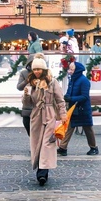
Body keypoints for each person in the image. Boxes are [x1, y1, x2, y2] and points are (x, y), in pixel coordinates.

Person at [23, 57, 67, 186]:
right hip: (36, 115)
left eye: (39, 69)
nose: (37, 71)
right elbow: (28, 103)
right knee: (37, 143)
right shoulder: (30, 83)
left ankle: (42, 173)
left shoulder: (52, 82)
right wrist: (26, 95)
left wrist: (63, 114)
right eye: (35, 69)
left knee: (47, 144)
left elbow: (60, 100)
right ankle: (40, 168)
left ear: (43, 69)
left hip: (49, 115)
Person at [59, 61, 99, 155]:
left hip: (83, 109)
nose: (70, 71)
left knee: (88, 129)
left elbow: (85, 97)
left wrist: (71, 98)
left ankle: (94, 147)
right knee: (69, 127)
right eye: (70, 69)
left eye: (72, 69)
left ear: (77, 70)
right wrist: (67, 97)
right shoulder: (72, 80)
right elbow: (70, 91)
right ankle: (62, 148)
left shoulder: (84, 80)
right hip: (74, 108)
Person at [16, 53, 45, 135]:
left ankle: (37, 144)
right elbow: (19, 87)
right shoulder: (24, 73)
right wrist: (27, 80)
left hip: (39, 103)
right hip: (28, 103)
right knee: (27, 123)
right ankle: (33, 140)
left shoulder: (44, 73)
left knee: (40, 128)